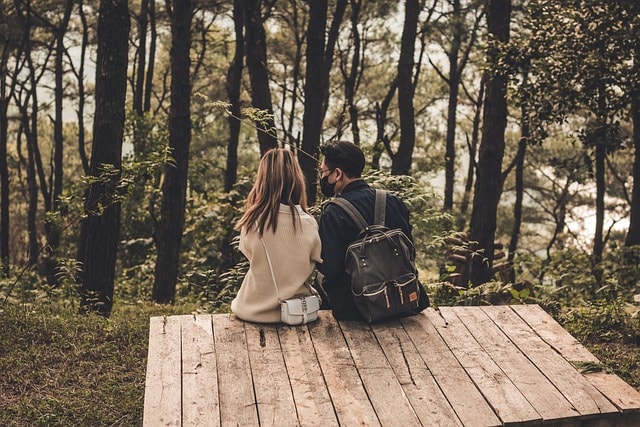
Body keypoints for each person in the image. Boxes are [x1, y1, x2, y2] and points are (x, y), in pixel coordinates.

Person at [316, 140, 430, 320]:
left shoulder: (334, 212)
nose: (323, 177)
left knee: (321, 278)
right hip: (404, 300)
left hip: (357, 309)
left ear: (337, 174)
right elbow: (410, 252)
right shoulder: (393, 201)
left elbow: (330, 268)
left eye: (324, 172)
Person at [231, 148, 322, 323]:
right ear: (296, 178)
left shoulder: (252, 221)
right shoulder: (309, 223)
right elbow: (315, 259)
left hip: (252, 310)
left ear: (263, 179)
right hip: (297, 310)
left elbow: (250, 255)